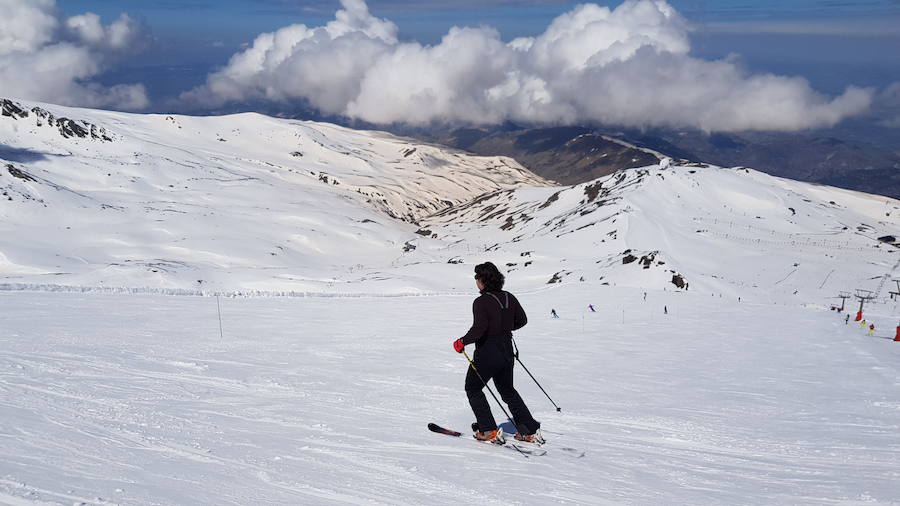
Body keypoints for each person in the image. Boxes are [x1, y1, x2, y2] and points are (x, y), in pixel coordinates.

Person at [452, 262, 543, 445]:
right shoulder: (509, 297)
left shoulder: (481, 302)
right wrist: (505, 329)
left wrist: (462, 342)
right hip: (507, 350)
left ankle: (488, 430)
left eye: (477, 278)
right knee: (507, 390)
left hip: (487, 352)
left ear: (483, 280)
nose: (476, 281)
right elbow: (522, 320)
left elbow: (479, 329)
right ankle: (529, 431)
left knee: (473, 388)